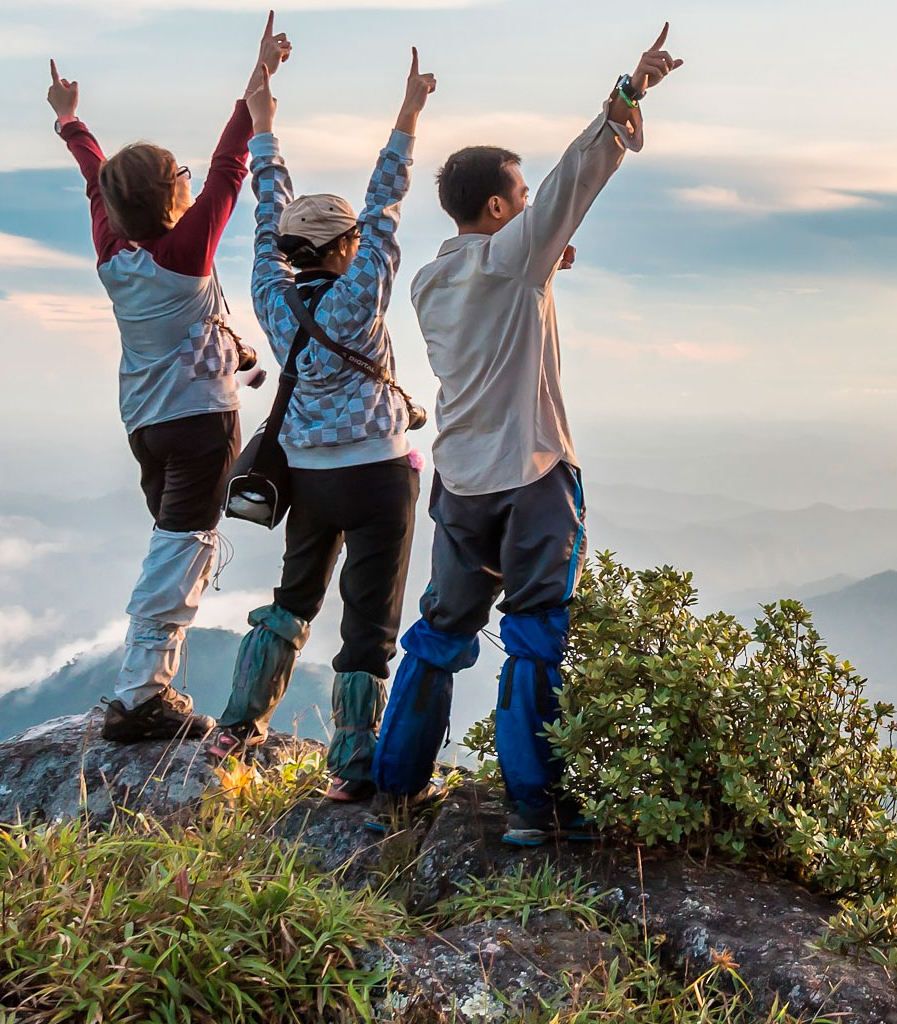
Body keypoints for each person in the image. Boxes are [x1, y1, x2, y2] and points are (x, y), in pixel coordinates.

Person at [370, 25, 682, 844]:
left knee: (440, 631)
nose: (530, 202)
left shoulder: (434, 281)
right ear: (502, 208)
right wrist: (627, 98)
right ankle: (532, 809)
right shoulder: (513, 261)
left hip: (461, 484)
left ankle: (395, 785)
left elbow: (510, 268)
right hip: (534, 474)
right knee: (537, 639)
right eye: (519, 196)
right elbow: (572, 182)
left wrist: (544, 263)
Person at [48, 15, 292, 743]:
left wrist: (70, 120)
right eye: (180, 176)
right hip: (197, 428)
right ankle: (141, 695)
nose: (194, 179)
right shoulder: (182, 257)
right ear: (172, 199)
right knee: (183, 547)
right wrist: (259, 81)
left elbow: (98, 180)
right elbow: (229, 166)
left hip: (146, 427)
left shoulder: (112, 253)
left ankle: (148, 684)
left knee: (177, 538)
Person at [204, 52, 437, 803]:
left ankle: (239, 723)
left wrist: (264, 125)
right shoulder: (361, 292)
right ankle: (350, 764)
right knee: (368, 620)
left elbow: (270, 211)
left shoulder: (270, 295)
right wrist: (408, 115)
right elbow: (387, 202)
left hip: (306, 477)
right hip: (376, 477)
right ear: (346, 248)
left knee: (294, 594)